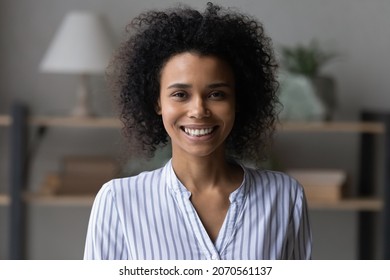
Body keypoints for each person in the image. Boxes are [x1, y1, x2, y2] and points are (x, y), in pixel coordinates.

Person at [84, 2, 312, 260]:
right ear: (157, 102)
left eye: (216, 94)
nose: (199, 110)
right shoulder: (118, 201)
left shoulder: (284, 197)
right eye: (180, 94)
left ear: (238, 101)